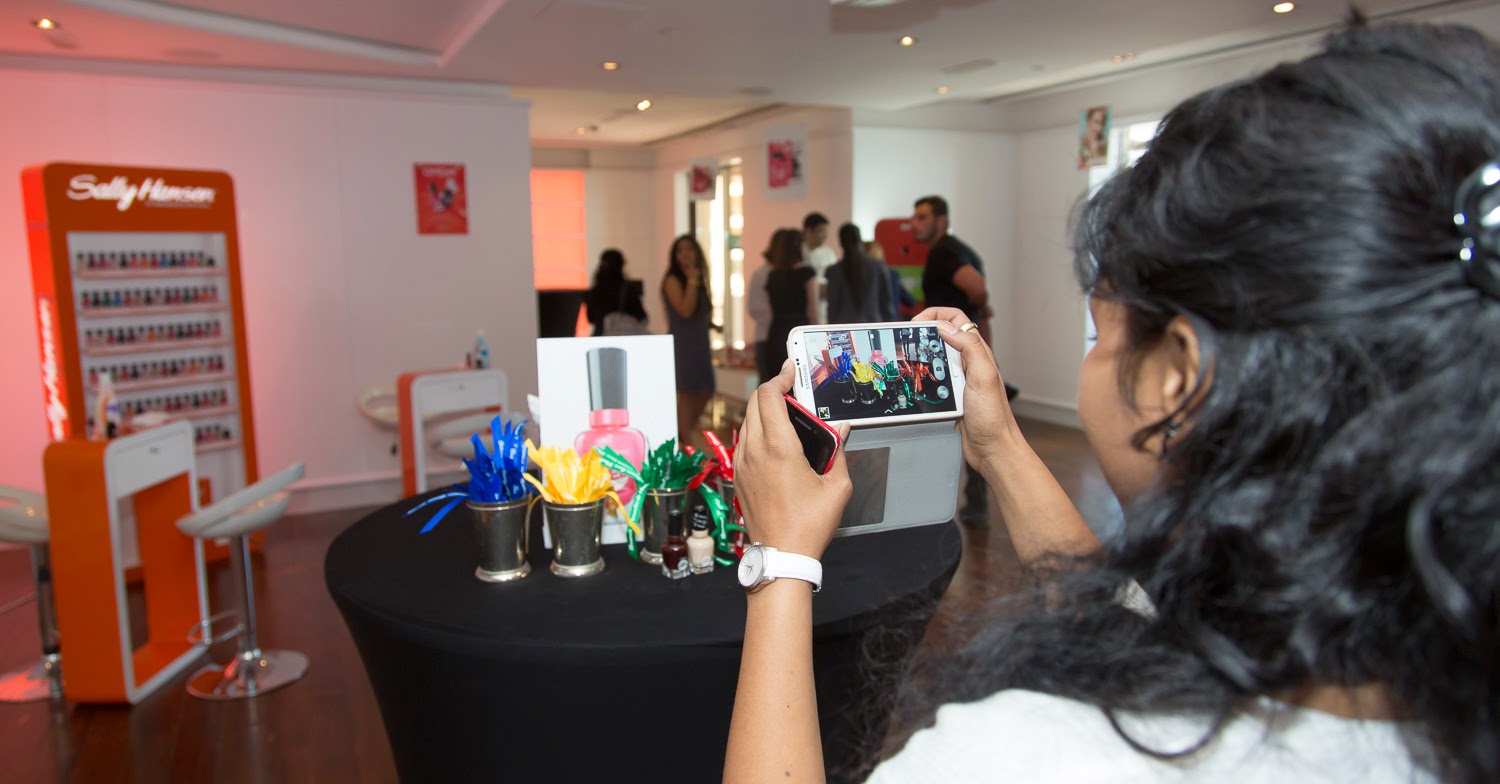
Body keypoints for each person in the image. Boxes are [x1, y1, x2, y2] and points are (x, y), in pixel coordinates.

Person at [725, 20, 1500, 784]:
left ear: (1176, 376)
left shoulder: (1042, 755)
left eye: (1101, 332)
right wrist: (997, 442)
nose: (1092, 355)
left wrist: (781, 563)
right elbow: (1119, 614)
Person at [912, 194, 995, 526]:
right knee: (970, 428)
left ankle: (950, 506)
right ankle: (972, 503)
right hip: (955, 354)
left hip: (950, 356)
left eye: (922, 217)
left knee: (960, 429)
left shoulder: (944, 252)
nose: (915, 223)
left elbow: (977, 289)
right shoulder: (958, 249)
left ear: (941, 220)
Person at [661, 235, 714, 450]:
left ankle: (681, 433)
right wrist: (692, 281)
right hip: (684, 342)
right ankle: (687, 443)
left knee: (706, 389)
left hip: (700, 340)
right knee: (687, 391)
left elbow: (702, 310)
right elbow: (685, 310)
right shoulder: (672, 280)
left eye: (689, 249)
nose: (685, 254)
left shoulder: (698, 278)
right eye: (680, 250)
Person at [763, 229, 819, 374]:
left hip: (776, 330)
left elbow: (770, 310)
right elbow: (814, 311)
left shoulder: (773, 275)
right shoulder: (807, 273)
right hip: (798, 330)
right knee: (801, 376)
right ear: (799, 246)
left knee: (777, 377)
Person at [826, 223, 896, 324]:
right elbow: (887, 304)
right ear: (860, 240)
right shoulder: (877, 266)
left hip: (843, 327)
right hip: (873, 326)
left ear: (840, 243)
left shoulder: (834, 271)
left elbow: (832, 308)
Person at [584, 248, 645, 336]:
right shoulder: (628, 289)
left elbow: (591, 319)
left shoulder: (593, 292)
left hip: (600, 336)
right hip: (624, 337)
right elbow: (641, 316)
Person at [867, 239, 917, 317]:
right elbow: (911, 302)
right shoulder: (891, 275)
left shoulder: (858, 279)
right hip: (891, 321)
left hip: (868, 322)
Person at [803, 212, 837, 323]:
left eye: (826, 232)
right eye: (821, 232)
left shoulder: (828, 253)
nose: (825, 236)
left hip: (824, 311)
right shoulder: (799, 253)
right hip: (804, 312)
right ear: (809, 231)